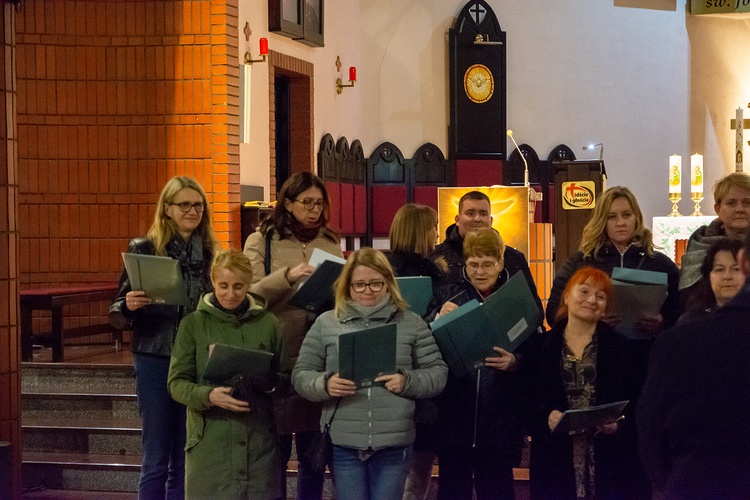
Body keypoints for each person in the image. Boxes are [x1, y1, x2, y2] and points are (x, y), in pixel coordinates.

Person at [292, 248, 448, 500]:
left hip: (394, 440)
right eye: (360, 285)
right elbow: (301, 376)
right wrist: (325, 383)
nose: (367, 291)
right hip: (345, 440)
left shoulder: (411, 323)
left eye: (376, 283)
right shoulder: (326, 323)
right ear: (347, 286)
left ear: (388, 283)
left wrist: (407, 381)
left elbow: (438, 374)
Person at [109, 176, 219, 499]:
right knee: (156, 457)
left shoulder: (212, 252)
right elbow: (115, 310)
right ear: (167, 209)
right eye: (184, 204)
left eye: (198, 205)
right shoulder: (144, 248)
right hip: (154, 356)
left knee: (186, 455)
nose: (192, 211)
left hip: (195, 360)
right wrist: (127, 305)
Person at [243, 171, 344, 500]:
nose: (315, 210)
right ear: (288, 203)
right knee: (275, 455)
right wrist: (288, 275)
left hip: (317, 354)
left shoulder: (329, 241)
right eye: (307, 203)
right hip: (276, 353)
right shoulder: (262, 239)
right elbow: (251, 296)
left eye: (320, 203)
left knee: (314, 457)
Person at [167, 249, 291, 498]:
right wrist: (209, 395)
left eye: (238, 286)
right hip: (211, 442)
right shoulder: (193, 324)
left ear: (249, 284)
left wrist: (269, 382)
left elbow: (286, 379)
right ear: (212, 281)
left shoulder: (268, 323)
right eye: (223, 285)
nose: (230, 294)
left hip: (258, 440)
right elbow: (177, 383)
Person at [637, 232, 750, 497]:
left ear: (744, 263)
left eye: (734, 268)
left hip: (695, 483)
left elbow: (651, 430)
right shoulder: (684, 330)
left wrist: (675, 480)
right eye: (719, 269)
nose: (727, 276)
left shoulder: (676, 342)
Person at [521, 267, 650, 499]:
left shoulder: (624, 349)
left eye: (601, 297)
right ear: (567, 297)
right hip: (555, 455)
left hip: (609, 457)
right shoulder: (539, 347)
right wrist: (544, 417)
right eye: (584, 291)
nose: (592, 300)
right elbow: (521, 398)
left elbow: (640, 402)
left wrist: (620, 423)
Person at [426, 228, 531, 500]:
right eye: (473, 264)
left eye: (488, 264)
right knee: (452, 489)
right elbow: (422, 346)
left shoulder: (516, 298)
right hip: (455, 419)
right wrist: (436, 317)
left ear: (500, 263)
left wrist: (516, 362)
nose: (480, 271)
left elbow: (535, 351)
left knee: (498, 489)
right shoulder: (448, 296)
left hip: (500, 420)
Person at [546, 186, 680, 335]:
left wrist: (662, 322)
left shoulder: (661, 263)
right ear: (602, 221)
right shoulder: (580, 262)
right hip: (596, 351)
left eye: (627, 215)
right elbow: (553, 312)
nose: (620, 222)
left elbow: (683, 312)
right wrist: (590, 320)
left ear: (637, 218)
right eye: (612, 217)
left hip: (646, 352)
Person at [387, 203, 446, 500]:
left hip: (400, 372)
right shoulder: (426, 272)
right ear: (421, 231)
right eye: (433, 226)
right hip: (418, 371)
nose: (437, 232)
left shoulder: (384, 266)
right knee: (416, 468)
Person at [430, 190, 542, 314]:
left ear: (491, 220)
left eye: (483, 214)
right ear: (458, 219)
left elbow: (534, 308)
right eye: (470, 213)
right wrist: (439, 314)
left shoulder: (514, 258)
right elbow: (424, 313)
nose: (477, 219)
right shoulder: (435, 258)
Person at [678, 172, 750, 310]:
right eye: (731, 203)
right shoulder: (701, 240)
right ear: (718, 209)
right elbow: (689, 293)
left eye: (747, 203)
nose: (740, 209)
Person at [678, 237, 744, 323]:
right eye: (719, 269)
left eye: (736, 269)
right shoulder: (691, 320)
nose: (727, 276)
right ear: (708, 276)